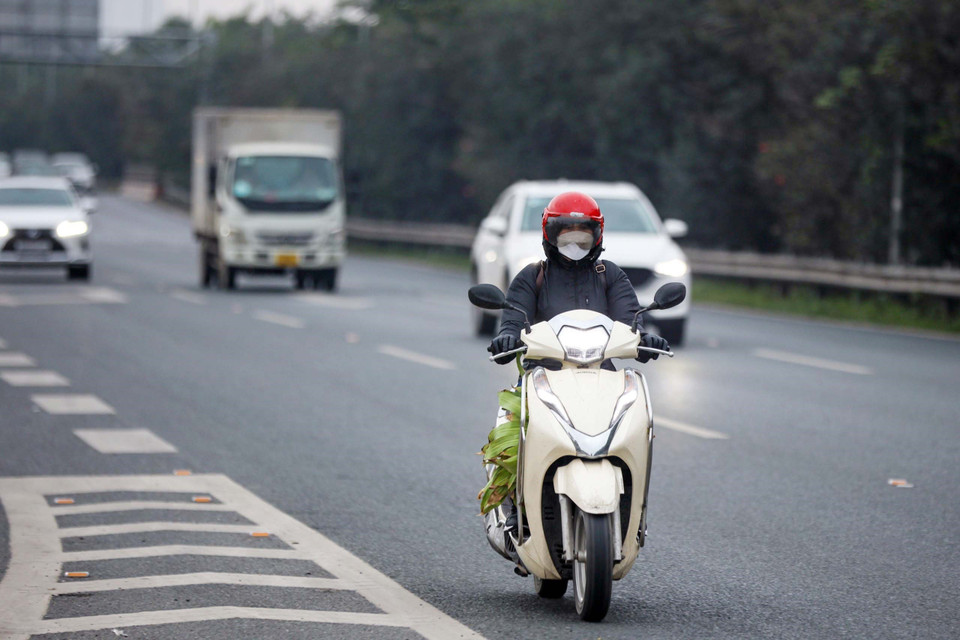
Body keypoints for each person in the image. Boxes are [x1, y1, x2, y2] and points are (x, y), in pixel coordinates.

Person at [486, 191, 669, 535]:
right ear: (549, 235)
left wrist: (644, 340)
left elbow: (631, 321)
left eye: (583, 234)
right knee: (509, 430)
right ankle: (514, 507)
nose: (574, 242)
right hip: (543, 375)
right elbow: (511, 320)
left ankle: (631, 508)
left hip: (602, 375)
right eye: (565, 234)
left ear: (597, 235)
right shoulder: (532, 276)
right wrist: (507, 338)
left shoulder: (610, 275)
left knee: (636, 423)